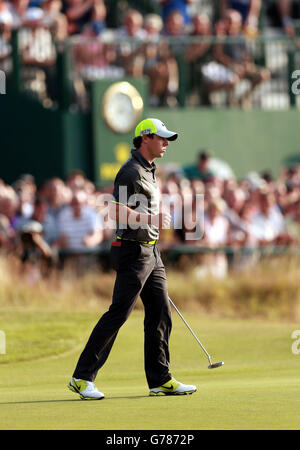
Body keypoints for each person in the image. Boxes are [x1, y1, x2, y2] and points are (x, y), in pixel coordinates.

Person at [68, 118, 197, 399]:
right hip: (133, 251)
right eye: (161, 138)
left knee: (160, 313)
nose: (166, 143)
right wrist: (150, 218)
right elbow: (115, 211)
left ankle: (160, 379)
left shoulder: (151, 171)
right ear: (145, 138)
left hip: (152, 251)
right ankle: (82, 377)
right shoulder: (130, 172)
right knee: (119, 313)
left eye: (167, 139)